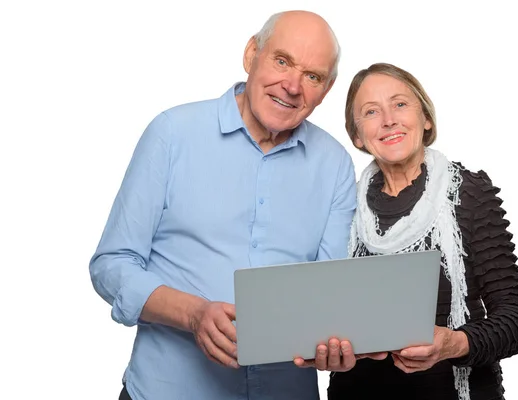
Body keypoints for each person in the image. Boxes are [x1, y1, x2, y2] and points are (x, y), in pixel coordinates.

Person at [90, 10, 362, 400]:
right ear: (252, 54)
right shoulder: (172, 134)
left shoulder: (335, 164)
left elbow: (329, 291)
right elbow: (111, 264)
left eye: (313, 76)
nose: (292, 85)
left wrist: (335, 340)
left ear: (327, 89)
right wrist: (193, 314)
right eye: (281, 61)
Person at [326, 63, 518, 400]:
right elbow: (321, 312)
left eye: (400, 104)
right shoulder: (342, 205)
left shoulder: (466, 192)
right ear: (357, 135)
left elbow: (517, 319)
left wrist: (452, 344)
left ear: (425, 118)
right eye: (371, 111)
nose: (389, 119)